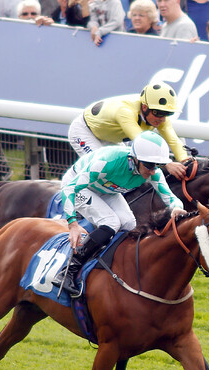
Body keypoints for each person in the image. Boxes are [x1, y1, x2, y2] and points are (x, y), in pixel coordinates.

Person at [53, 131, 186, 297]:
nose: (153, 171)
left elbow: (171, 199)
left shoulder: (153, 171)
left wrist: (176, 208)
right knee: (111, 223)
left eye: (157, 165)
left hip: (106, 188)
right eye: (149, 165)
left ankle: (113, 267)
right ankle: (68, 271)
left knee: (130, 225)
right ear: (134, 158)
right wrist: (72, 224)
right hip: (78, 186)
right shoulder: (108, 162)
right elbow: (70, 189)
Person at [67, 82, 190, 182]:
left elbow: (173, 140)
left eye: (168, 114)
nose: (162, 118)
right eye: (158, 113)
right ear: (145, 107)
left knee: (125, 171)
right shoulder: (125, 111)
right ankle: (70, 191)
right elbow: (143, 143)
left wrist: (185, 160)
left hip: (110, 139)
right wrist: (167, 164)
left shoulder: (158, 117)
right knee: (103, 169)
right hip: (84, 132)